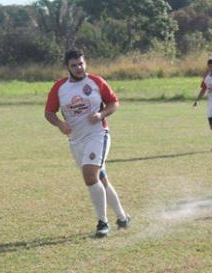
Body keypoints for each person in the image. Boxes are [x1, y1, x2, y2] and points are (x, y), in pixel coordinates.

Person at [45, 49, 130, 238]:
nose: (78, 68)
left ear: (86, 63)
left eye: (81, 63)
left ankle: (103, 222)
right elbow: (49, 112)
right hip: (75, 140)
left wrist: (101, 114)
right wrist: (60, 124)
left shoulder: (96, 82)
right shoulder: (59, 87)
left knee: (90, 176)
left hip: (98, 134)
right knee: (100, 179)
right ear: (67, 67)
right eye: (74, 65)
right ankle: (122, 217)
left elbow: (114, 102)